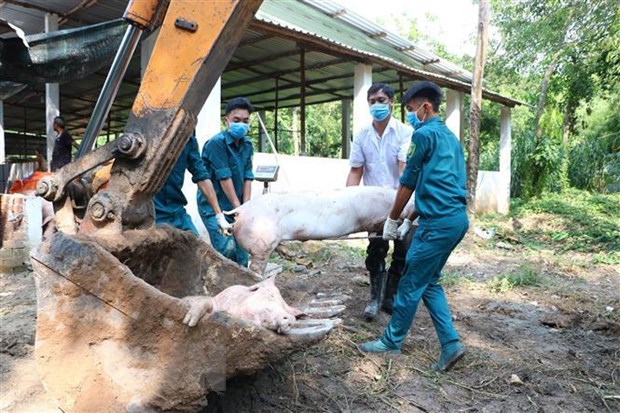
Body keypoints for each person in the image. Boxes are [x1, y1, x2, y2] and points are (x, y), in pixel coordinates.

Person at [359, 81, 470, 373]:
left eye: (410, 110)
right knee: (428, 281)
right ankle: (451, 344)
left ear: (425, 107)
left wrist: (393, 218)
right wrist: (409, 219)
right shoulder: (449, 138)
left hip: (437, 224)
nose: (410, 116)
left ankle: (391, 341)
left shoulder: (422, 136)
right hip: (456, 219)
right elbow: (437, 184)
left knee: (410, 283)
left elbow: (408, 181)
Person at [346, 82, 414, 320]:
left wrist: (405, 207)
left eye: (381, 101)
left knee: (403, 251)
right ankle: (374, 298)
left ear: (392, 103)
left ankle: (390, 298)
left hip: (402, 201)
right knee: (375, 250)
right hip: (373, 205)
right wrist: (346, 204)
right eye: (372, 101)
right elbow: (356, 170)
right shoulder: (362, 135)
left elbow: (405, 168)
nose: (377, 106)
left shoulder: (405, 132)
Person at [198, 97, 254, 267]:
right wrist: (239, 209)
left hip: (237, 207)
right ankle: (224, 289)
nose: (241, 124)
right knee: (226, 250)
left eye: (245, 121)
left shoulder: (248, 144)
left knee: (243, 251)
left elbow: (247, 177)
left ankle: (241, 289)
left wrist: (247, 207)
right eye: (236, 120)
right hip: (215, 207)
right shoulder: (217, 144)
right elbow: (224, 178)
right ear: (226, 120)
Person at [153, 134, 231, 236]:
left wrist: (219, 216)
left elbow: (202, 177)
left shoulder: (188, 141)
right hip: (151, 214)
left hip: (177, 212)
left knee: (198, 248)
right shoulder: (146, 136)